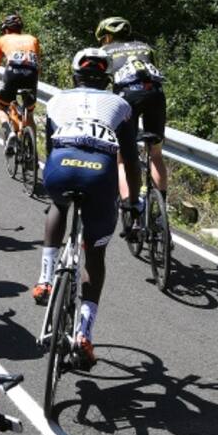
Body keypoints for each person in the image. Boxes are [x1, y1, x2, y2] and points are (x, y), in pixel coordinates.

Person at [32, 48, 139, 369]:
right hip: (100, 172)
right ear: (107, 80)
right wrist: (132, 202)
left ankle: (45, 278)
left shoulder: (55, 101)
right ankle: (83, 333)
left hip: (59, 166)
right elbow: (131, 160)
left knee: (58, 203)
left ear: (73, 76)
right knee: (94, 253)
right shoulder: (121, 104)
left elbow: (50, 147)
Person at [95, 16, 167, 226]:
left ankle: (131, 207)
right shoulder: (146, 47)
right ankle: (161, 212)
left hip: (127, 98)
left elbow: (101, 84)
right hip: (155, 94)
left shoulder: (104, 52)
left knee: (122, 157)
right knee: (155, 153)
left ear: (107, 36)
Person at [0, 14, 41, 153]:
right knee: (29, 113)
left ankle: (9, 132)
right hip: (31, 75)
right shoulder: (33, 39)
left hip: (13, 72)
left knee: (1, 106)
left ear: (6, 30)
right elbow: (37, 66)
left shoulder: (2, 40)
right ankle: (31, 151)